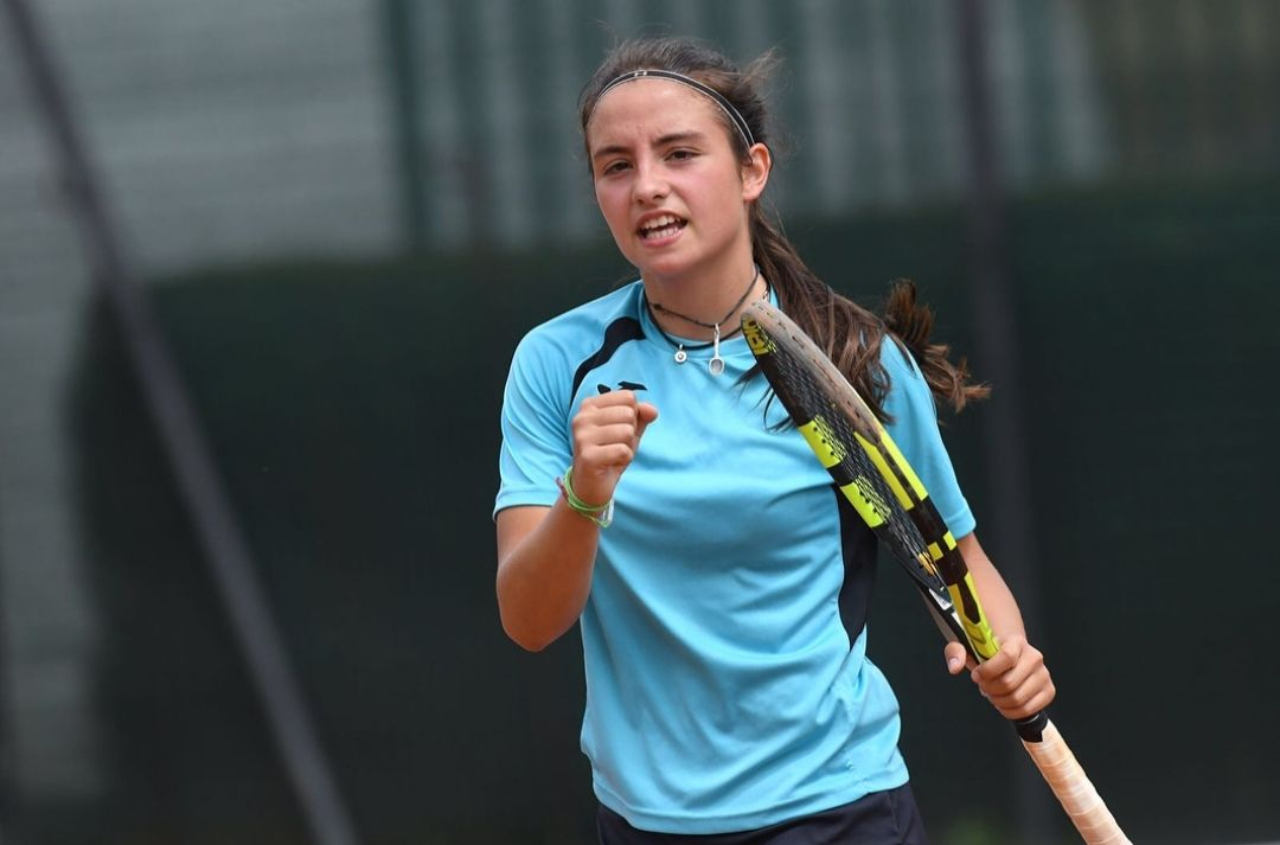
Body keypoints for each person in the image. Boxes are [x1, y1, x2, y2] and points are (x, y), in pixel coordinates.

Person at [494, 36, 1054, 844]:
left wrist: (1011, 656)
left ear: (751, 170)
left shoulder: (857, 363)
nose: (647, 185)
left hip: (842, 811)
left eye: (679, 153)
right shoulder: (556, 363)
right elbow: (528, 619)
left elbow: (955, 557)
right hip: (647, 824)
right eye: (616, 165)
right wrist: (583, 495)